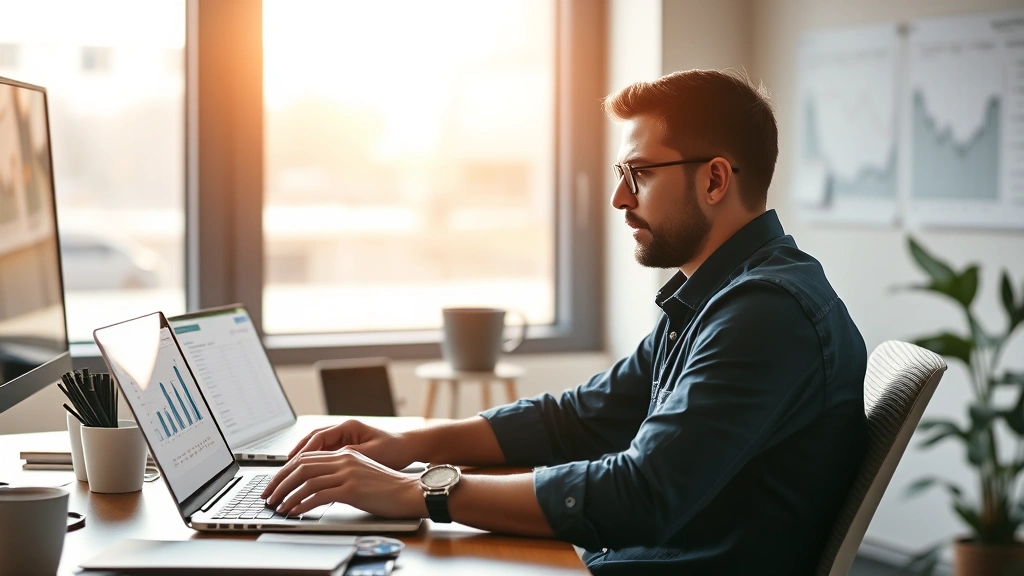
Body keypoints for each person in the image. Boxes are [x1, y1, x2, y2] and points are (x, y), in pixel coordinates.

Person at [262, 69, 867, 575]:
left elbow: (641, 495)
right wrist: (409, 445)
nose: (620, 199)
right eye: (619, 176)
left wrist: (420, 491)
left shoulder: (765, 314)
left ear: (714, 178)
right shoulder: (713, 296)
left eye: (640, 174)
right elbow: (580, 417)